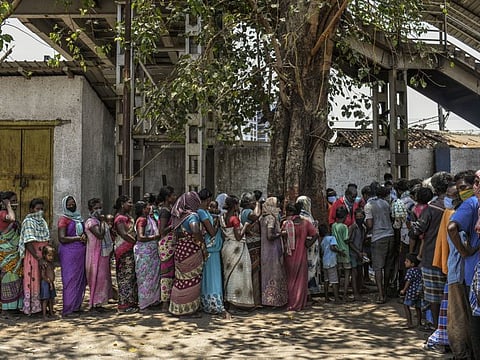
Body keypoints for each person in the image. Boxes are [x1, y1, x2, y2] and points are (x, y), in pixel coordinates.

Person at [411, 171, 452, 329]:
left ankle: (437, 330)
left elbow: (417, 230)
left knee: (434, 297)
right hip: (451, 257)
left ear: (435, 188)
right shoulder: (458, 206)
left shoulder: (432, 208)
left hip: (431, 256)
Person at [447, 170, 479, 358]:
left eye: (464, 187)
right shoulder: (470, 205)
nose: (462, 192)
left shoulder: (471, 204)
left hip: (465, 271)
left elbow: (452, 229)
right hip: (465, 270)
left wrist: (465, 251)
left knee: (465, 317)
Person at [169, 191, 206, 316]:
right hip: (191, 251)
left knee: (180, 279)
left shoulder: (178, 216)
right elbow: (195, 228)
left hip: (180, 250)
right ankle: (189, 310)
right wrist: (200, 240)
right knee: (192, 279)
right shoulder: (192, 216)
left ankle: (177, 307)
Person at [220, 195, 255, 309]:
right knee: (237, 276)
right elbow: (239, 236)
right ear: (235, 205)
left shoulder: (222, 217)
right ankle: (235, 302)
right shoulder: (234, 219)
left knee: (229, 275)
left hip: (227, 247)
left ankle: (229, 301)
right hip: (236, 247)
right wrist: (245, 226)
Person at [282, 203, 317, 310]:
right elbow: (315, 234)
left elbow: (281, 236)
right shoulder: (305, 223)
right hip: (302, 255)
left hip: (289, 255)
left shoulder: (286, 223)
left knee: (290, 279)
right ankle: (299, 303)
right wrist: (308, 244)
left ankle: (291, 303)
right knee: (301, 280)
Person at [198, 188, 227, 316]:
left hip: (212, 247)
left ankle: (209, 302)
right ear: (208, 199)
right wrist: (217, 223)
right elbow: (212, 232)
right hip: (210, 248)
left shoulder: (204, 211)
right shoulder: (202, 212)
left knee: (210, 275)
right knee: (212, 276)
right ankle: (213, 303)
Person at [364, 184, 395, 304]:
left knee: (378, 267)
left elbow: (370, 224)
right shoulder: (386, 203)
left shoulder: (369, 205)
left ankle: (381, 295)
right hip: (390, 235)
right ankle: (385, 290)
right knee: (387, 266)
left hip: (378, 237)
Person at [19, 198, 50, 315]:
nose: (40, 211)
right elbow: (28, 242)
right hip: (34, 256)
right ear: (31, 209)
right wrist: (39, 258)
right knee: (34, 279)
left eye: (42, 209)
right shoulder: (28, 222)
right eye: (37, 209)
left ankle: (43, 306)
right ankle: (33, 307)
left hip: (44, 254)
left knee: (44, 280)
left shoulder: (42, 221)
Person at [58, 195, 87, 317]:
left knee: (80, 279)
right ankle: (68, 308)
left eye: (73, 203)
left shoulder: (79, 218)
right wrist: (78, 238)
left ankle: (76, 306)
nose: (71, 205)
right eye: (69, 204)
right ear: (65, 205)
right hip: (68, 252)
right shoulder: (63, 220)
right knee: (70, 279)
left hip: (81, 251)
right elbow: (62, 238)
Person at [85, 198, 113, 312]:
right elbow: (100, 235)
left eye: (99, 208)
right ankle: (94, 303)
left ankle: (100, 302)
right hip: (94, 254)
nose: (98, 210)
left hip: (103, 253)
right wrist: (102, 221)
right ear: (91, 209)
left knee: (103, 278)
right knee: (96, 277)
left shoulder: (99, 221)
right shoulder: (91, 222)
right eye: (96, 208)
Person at [259, 197, 287, 307]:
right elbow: (270, 235)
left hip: (266, 250)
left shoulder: (263, 217)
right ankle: (274, 300)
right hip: (273, 250)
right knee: (274, 274)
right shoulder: (271, 218)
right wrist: (281, 234)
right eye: (277, 204)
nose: (278, 206)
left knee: (267, 274)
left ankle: (267, 300)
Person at [134, 201, 161, 311]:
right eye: (146, 207)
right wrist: (155, 237)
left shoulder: (150, 219)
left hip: (152, 252)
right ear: (142, 209)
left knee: (153, 277)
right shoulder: (142, 220)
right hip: (145, 253)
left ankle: (152, 301)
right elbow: (140, 237)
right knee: (145, 278)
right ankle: (144, 303)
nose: (149, 208)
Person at [113, 195, 138, 313]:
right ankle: (124, 304)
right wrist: (136, 241)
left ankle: (131, 302)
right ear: (122, 204)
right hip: (123, 250)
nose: (131, 205)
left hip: (130, 249)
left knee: (131, 277)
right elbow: (123, 234)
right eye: (129, 202)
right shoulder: (120, 219)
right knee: (125, 278)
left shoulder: (127, 217)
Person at [0, 191, 23, 311]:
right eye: (12, 201)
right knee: (8, 278)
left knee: (16, 278)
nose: (16, 204)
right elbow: (12, 219)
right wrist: (8, 206)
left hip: (14, 252)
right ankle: (7, 308)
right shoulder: (3, 214)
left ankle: (15, 306)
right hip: (6, 253)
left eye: (15, 201)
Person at [296, 196, 321, 298]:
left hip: (308, 246)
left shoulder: (301, 216)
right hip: (309, 246)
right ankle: (307, 294)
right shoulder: (306, 217)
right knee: (309, 270)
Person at [240, 192, 262, 306]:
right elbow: (256, 215)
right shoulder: (247, 212)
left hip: (252, 244)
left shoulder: (243, 212)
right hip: (252, 244)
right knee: (254, 271)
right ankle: (255, 300)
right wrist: (257, 204)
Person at [157, 186, 177, 311]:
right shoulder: (165, 211)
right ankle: (164, 302)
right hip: (166, 244)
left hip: (171, 243)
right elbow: (161, 231)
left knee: (171, 273)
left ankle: (169, 300)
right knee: (166, 274)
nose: (174, 197)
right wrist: (174, 225)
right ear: (167, 197)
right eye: (172, 195)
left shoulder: (169, 209)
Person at [348, 208, 367, 301]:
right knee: (354, 273)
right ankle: (355, 293)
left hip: (359, 252)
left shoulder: (363, 228)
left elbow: (362, 241)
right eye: (357, 217)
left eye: (361, 216)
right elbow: (349, 242)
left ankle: (358, 292)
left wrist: (362, 252)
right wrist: (358, 252)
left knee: (360, 273)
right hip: (353, 253)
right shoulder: (352, 227)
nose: (359, 218)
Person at [400, 253, 422, 328]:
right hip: (418, 291)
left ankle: (409, 323)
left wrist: (404, 290)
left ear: (412, 264)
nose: (405, 262)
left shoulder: (410, 271)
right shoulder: (419, 270)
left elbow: (408, 281)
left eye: (407, 261)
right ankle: (419, 323)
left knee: (406, 305)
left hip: (411, 291)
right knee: (418, 307)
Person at [320, 224, 341, 303]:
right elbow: (332, 247)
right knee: (334, 281)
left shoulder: (322, 241)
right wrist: (340, 251)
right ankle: (336, 298)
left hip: (325, 262)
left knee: (326, 280)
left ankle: (326, 297)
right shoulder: (332, 238)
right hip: (331, 262)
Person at [40, 245, 56, 319]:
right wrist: (48, 280)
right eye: (49, 255)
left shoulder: (51, 264)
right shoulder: (45, 265)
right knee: (45, 299)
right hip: (46, 283)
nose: (51, 257)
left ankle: (51, 312)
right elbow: (43, 275)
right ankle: (44, 314)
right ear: (44, 255)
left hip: (51, 283)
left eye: (52, 256)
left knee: (51, 299)